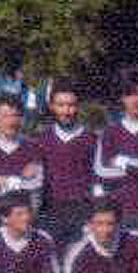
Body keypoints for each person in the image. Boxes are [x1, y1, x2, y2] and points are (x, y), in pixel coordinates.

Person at [94, 67, 138, 237]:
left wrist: (123, 162)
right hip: (118, 215)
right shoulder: (110, 132)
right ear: (122, 98)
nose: (133, 100)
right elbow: (101, 172)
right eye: (128, 95)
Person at [34, 78, 97, 255]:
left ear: (78, 106)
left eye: (71, 105)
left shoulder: (91, 139)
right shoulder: (41, 140)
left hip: (82, 213)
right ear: (52, 106)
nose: (66, 111)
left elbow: (97, 180)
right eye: (61, 105)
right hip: (50, 213)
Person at [0, 93, 44, 235]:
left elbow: (36, 186)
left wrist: (3, 180)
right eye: (5, 116)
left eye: (16, 115)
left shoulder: (32, 147)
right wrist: (20, 180)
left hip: (24, 228)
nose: (11, 121)